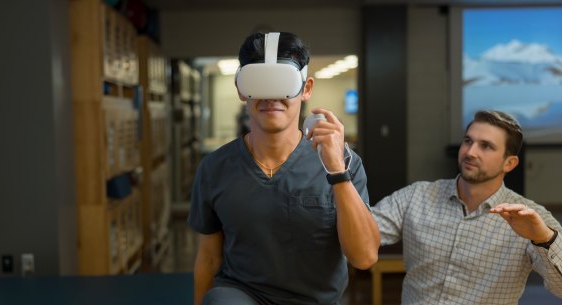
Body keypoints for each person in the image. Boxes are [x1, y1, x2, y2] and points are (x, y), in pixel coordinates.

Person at [188, 31, 380, 305]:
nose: (271, 96)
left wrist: (337, 172)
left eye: (282, 83)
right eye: (260, 83)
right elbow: (208, 257)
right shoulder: (215, 168)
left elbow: (364, 258)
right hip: (243, 296)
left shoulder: (345, 163)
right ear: (242, 88)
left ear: (307, 88)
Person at [371, 110, 562, 304]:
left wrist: (545, 239)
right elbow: (363, 231)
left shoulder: (529, 218)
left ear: (509, 163)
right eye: (468, 141)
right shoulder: (416, 196)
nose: (470, 152)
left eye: (486, 146)